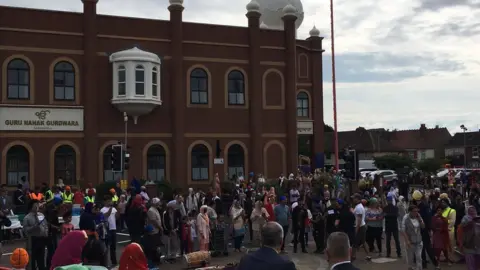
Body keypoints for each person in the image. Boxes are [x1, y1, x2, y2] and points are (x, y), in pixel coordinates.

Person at [23, 200, 48, 270]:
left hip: (41, 239)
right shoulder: (27, 218)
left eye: (38, 204)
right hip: (32, 240)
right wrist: (34, 227)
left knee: (41, 259)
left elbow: (45, 225)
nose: (37, 206)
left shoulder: (41, 215)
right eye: (35, 205)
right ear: (31, 206)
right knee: (32, 260)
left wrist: (46, 232)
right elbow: (25, 230)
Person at [401, 204, 425, 270]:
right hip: (410, 242)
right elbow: (403, 230)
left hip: (418, 241)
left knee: (419, 257)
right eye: (414, 211)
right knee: (410, 259)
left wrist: (420, 219)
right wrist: (407, 241)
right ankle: (410, 268)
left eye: (417, 211)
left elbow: (423, 226)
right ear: (410, 211)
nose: (416, 213)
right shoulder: (406, 218)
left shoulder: (418, 216)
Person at [100, 196, 118, 267]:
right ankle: (105, 262)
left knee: (113, 247)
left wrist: (118, 209)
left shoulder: (114, 209)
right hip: (107, 229)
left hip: (113, 228)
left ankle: (114, 261)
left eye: (110, 201)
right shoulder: (102, 210)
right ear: (104, 202)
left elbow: (117, 217)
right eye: (108, 201)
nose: (109, 202)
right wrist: (111, 208)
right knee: (106, 247)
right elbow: (106, 215)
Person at [351, 194, 370, 260]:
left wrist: (356, 229)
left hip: (360, 227)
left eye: (354, 198)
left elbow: (359, 220)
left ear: (358, 199)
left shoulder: (359, 208)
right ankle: (368, 255)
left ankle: (353, 256)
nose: (353, 199)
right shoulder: (358, 206)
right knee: (363, 241)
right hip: (362, 226)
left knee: (355, 242)